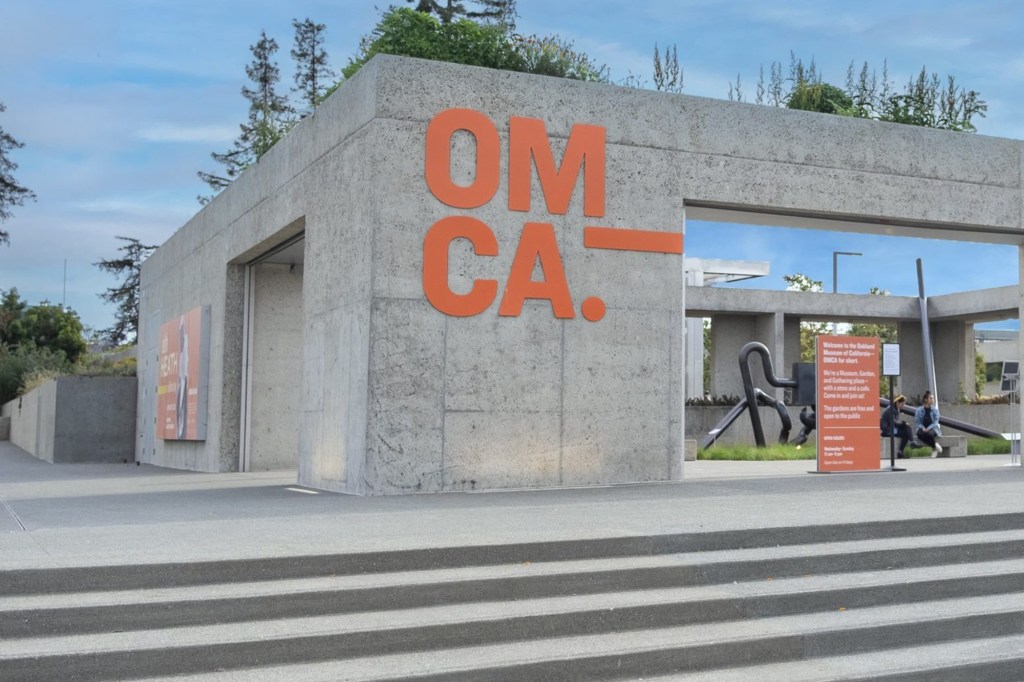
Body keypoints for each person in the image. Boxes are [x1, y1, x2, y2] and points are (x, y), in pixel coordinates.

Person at [914, 390, 943, 457]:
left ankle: (934, 449)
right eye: (931, 398)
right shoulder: (919, 410)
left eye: (933, 398)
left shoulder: (935, 410)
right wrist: (923, 428)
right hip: (922, 428)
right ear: (926, 400)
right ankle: (935, 446)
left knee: (928, 434)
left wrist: (928, 428)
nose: (932, 400)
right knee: (919, 434)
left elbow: (936, 422)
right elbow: (917, 422)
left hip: (933, 428)